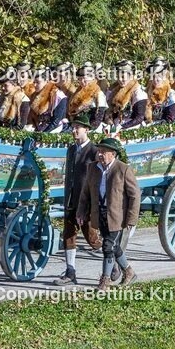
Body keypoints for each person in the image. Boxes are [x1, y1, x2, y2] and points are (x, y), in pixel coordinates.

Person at [77, 137, 140, 292]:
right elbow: (85, 193)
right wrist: (81, 212)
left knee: (108, 246)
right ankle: (129, 271)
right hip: (100, 214)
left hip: (118, 217)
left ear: (113, 154)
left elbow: (135, 195)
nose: (100, 154)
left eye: (104, 152)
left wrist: (131, 219)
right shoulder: (93, 168)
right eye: (99, 151)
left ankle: (105, 281)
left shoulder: (123, 169)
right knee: (114, 246)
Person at [54, 112, 102, 285]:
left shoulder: (94, 152)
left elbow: (98, 180)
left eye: (77, 128)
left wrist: (90, 203)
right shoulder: (71, 150)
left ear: (86, 130)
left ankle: (114, 261)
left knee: (91, 238)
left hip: (85, 202)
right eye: (73, 128)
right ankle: (70, 271)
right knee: (68, 234)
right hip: (70, 199)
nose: (74, 131)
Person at [105, 60, 148, 130]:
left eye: (123, 77)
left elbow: (139, 118)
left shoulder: (138, 91)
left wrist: (122, 127)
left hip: (133, 126)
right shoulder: (115, 90)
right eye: (118, 77)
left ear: (131, 76)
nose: (120, 80)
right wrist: (109, 122)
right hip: (116, 124)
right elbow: (110, 111)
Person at [66, 62, 107, 131]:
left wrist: (87, 129)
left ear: (92, 78)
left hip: (89, 128)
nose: (82, 81)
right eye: (80, 79)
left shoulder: (99, 94)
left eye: (84, 79)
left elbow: (98, 119)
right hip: (75, 126)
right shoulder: (77, 92)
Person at [146, 58, 175, 123]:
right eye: (154, 77)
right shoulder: (149, 91)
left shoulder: (173, 97)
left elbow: (169, 120)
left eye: (159, 76)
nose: (156, 80)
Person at [28, 68, 64, 132]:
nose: (35, 85)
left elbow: (56, 121)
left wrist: (43, 133)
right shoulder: (33, 96)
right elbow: (32, 118)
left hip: (54, 129)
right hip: (38, 127)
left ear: (46, 81)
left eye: (38, 82)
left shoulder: (58, 95)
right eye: (34, 82)